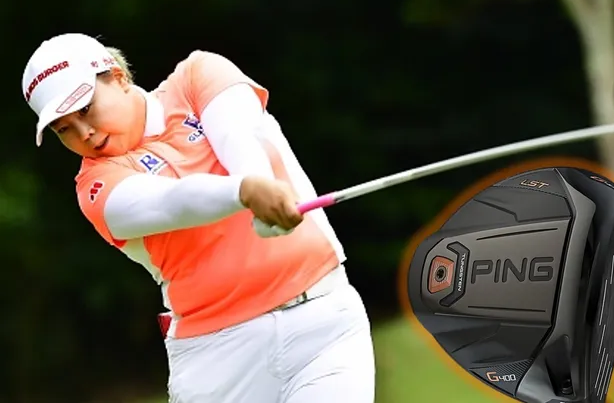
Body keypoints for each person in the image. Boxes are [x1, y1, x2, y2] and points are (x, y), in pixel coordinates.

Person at [21, 33, 376, 403]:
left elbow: (239, 136)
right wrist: (244, 192)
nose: (84, 134)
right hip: (217, 359)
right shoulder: (95, 185)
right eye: (64, 129)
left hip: (321, 324)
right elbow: (173, 202)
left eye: (85, 109)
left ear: (118, 77)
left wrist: (257, 184)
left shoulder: (197, 76)